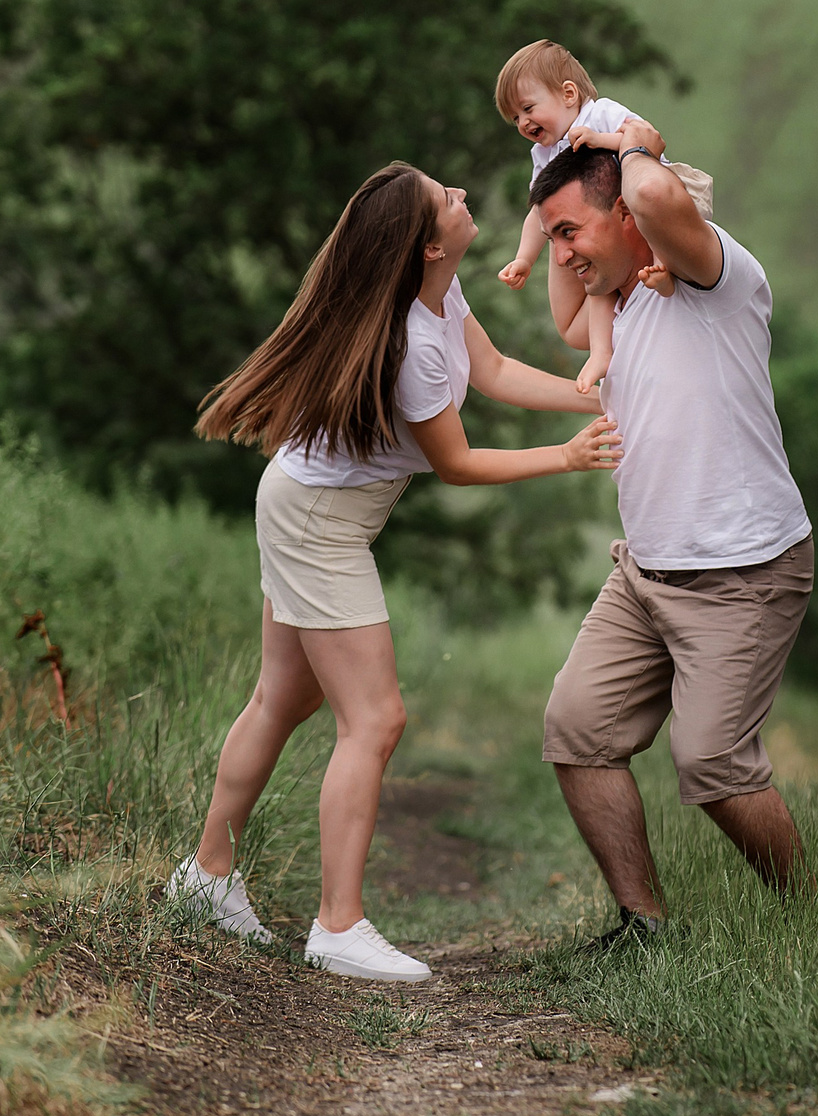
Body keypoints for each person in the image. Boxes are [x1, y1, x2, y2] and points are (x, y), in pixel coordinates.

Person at [175, 163, 617, 982]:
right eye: (444, 200)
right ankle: (338, 925)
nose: (460, 195)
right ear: (426, 246)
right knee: (375, 720)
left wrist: (599, 396)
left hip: (306, 506)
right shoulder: (410, 343)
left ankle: (204, 880)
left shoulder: (439, 297)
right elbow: (455, 464)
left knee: (284, 699)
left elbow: (491, 371)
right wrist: (566, 456)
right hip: (319, 526)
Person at [527, 131, 814, 948]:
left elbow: (654, 197)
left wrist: (630, 139)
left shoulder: (715, 280)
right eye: (552, 240)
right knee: (578, 731)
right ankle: (644, 926)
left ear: (626, 212)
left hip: (744, 572)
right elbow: (566, 313)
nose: (563, 255)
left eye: (571, 233)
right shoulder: (616, 307)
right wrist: (559, 224)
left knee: (714, 766)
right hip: (645, 574)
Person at [492, 39, 715, 397]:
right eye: (515, 117)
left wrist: (600, 139)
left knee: (653, 221)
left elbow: (644, 140)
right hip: (611, 232)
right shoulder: (544, 154)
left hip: (647, 200)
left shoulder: (599, 114)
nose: (523, 122)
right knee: (598, 283)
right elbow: (539, 212)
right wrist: (524, 257)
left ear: (568, 94)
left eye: (528, 108)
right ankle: (601, 351)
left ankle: (666, 268)